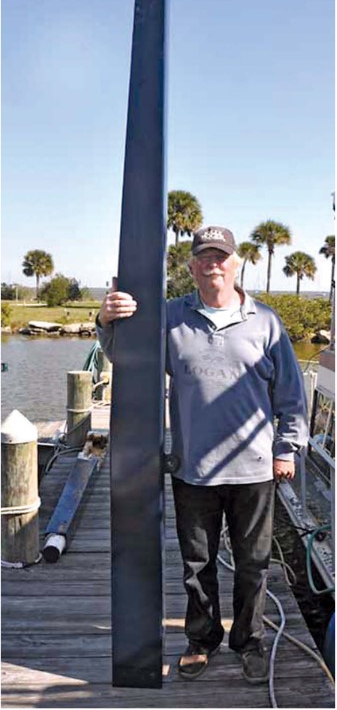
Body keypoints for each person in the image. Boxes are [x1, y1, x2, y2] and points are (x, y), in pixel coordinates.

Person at [96, 225, 308, 684]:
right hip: (192, 469)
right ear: (191, 267)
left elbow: (291, 395)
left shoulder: (266, 321)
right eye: (204, 256)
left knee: (253, 565)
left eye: (221, 255)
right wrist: (107, 321)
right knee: (197, 565)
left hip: (254, 470)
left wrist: (287, 448)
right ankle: (202, 639)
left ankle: (249, 641)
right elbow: (127, 358)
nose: (213, 263)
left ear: (236, 264)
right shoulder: (170, 317)